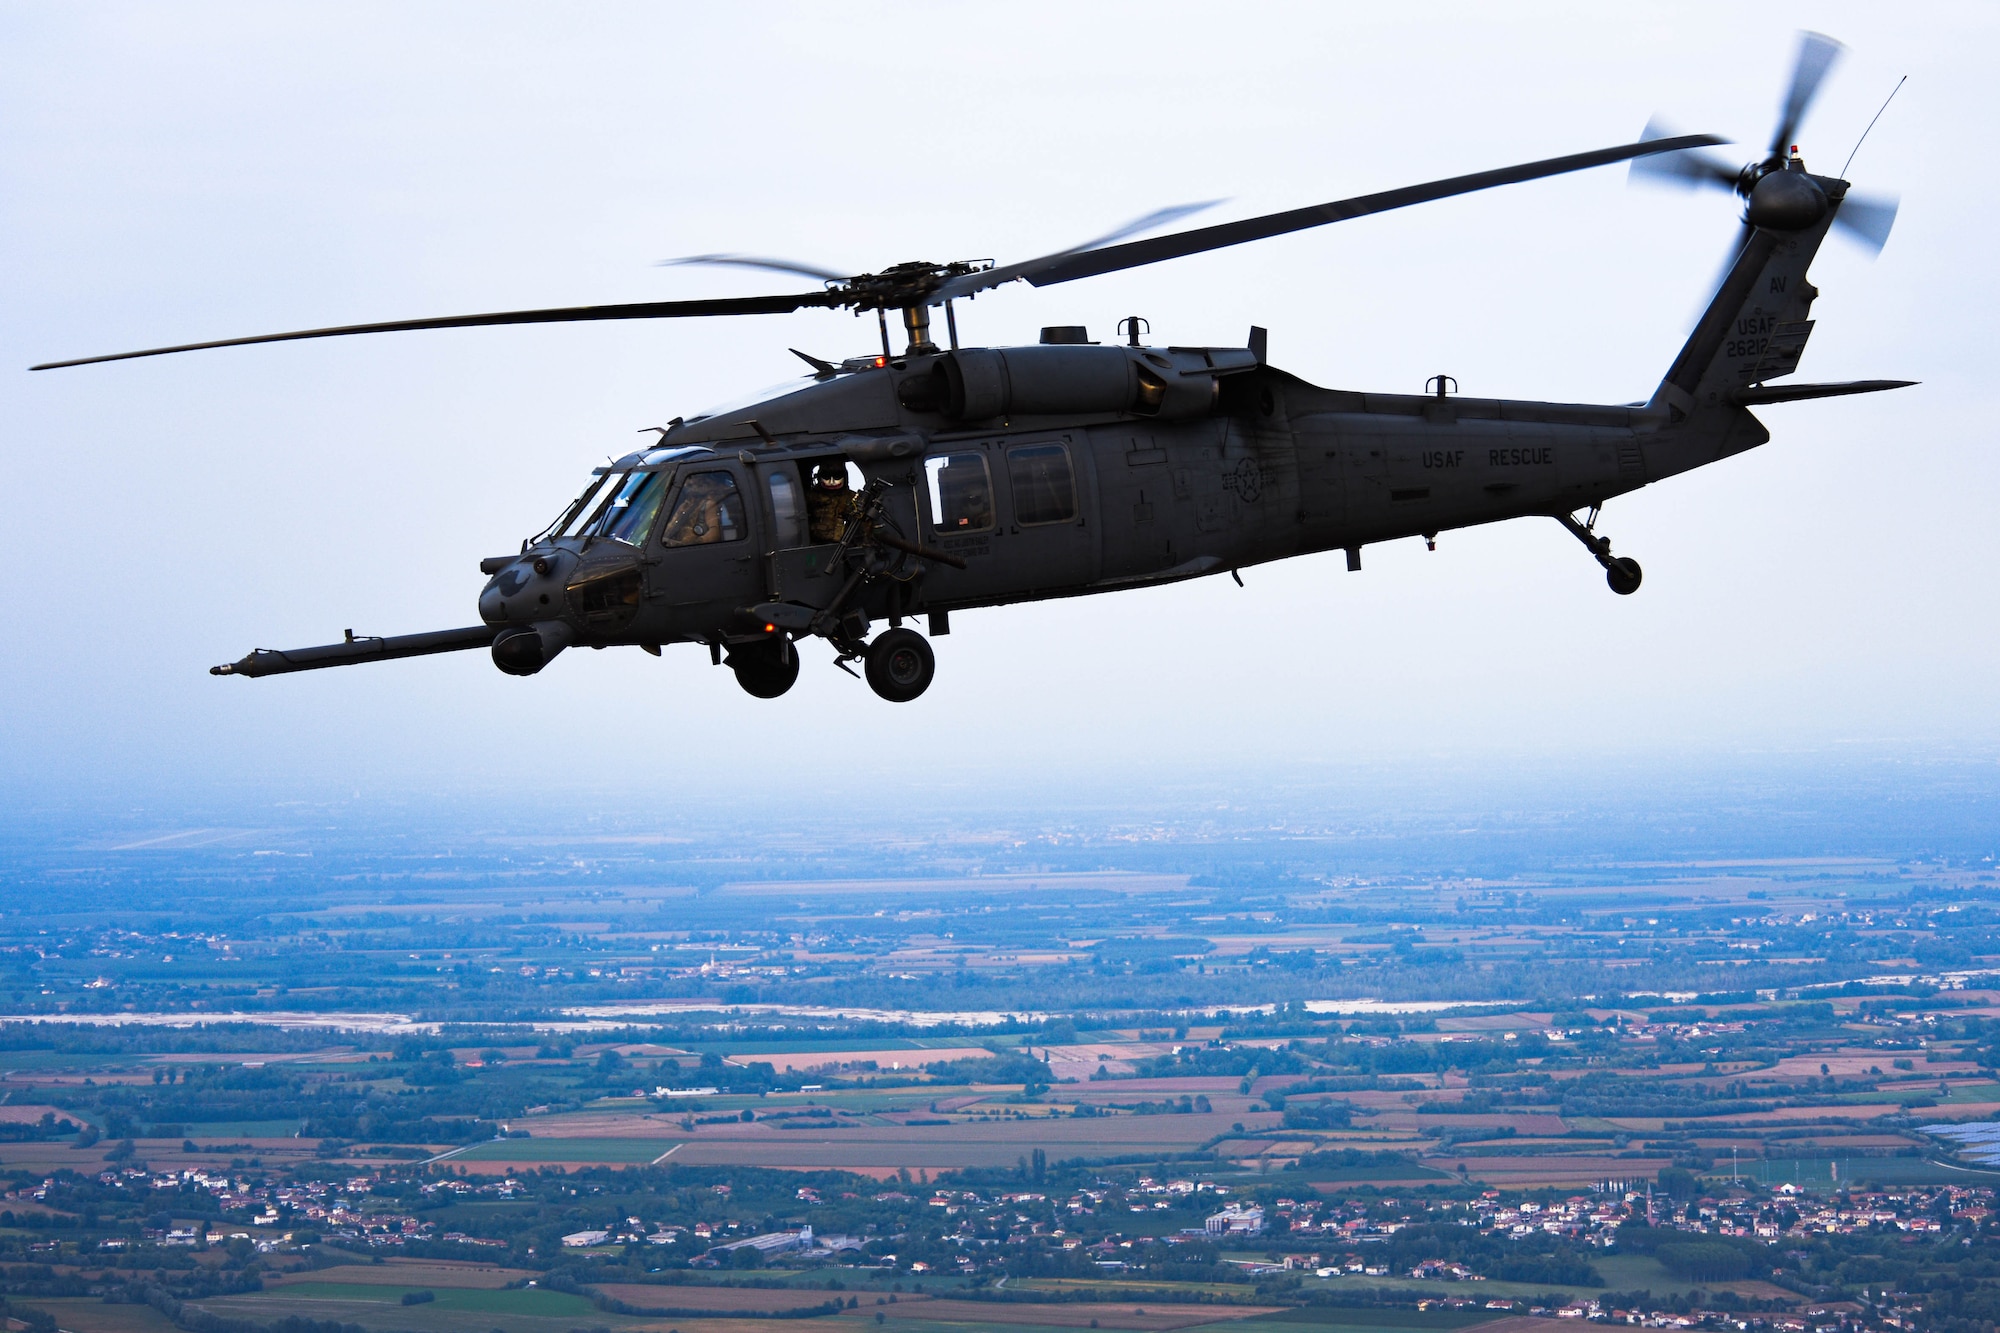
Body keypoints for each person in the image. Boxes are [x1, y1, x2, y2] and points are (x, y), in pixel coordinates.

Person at [806, 461, 854, 544]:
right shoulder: (811, 497)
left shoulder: (851, 497)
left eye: (837, 477)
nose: (831, 482)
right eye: (826, 477)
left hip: (843, 545)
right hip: (816, 544)